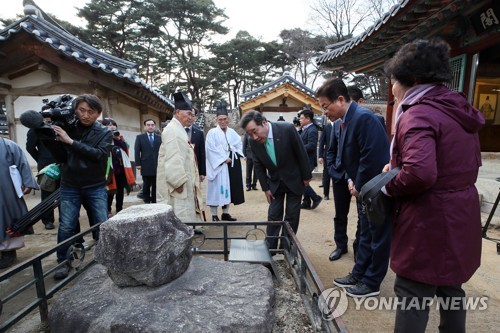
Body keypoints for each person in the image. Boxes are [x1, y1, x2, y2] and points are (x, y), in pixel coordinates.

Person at [383, 39, 484, 333]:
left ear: (411, 80)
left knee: (413, 292)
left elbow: (420, 174)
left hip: (429, 217)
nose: (392, 90)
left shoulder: (419, 113)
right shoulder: (457, 107)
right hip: (460, 210)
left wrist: (389, 185)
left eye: (393, 82)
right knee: (451, 287)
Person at [318, 78, 391, 298]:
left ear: (340, 99)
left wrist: (358, 185)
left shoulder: (364, 118)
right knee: (366, 233)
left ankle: (372, 281)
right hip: (361, 187)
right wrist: (351, 180)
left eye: (325, 106)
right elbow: (351, 157)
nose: (324, 112)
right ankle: (359, 273)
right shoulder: (346, 119)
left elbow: (371, 158)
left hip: (373, 189)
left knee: (377, 236)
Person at [42, 94, 112, 279]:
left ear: (98, 114)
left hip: (95, 185)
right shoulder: (67, 128)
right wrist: (50, 137)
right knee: (66, 225)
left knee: (102, 222)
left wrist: (70, 141)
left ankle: (108, 258)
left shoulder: (104, 132)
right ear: (75, 109)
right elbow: (60, 157)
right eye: (81, 110)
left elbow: (98, 155)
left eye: (91, 111)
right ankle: (63, 262)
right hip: (70, 184)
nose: (85, 115)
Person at [240, 110, 311, 251]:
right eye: (250, 134)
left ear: (264, 123)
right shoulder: (253, 141)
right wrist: (265, 188)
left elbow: (301, 152)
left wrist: (306, 176)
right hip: (275, 182)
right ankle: (270, 249)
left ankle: (285, 248)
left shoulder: (287, 129)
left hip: (294, 179)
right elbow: (258, 166)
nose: (254, 137)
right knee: (273, 216)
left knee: (291, 216)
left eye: (255, 131)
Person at [157, 92, 203, 222]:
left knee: (184, 210)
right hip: (177, 182)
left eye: (192, 114)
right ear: (178, 112)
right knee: (178, 211)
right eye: (188, 114)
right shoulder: (172, 129)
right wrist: (177, 181)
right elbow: (173, 157)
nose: (191, 117)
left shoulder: (179, 129)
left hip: (184, 178)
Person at [0, 138, 38, 269]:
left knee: (6, 218)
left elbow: (22, 163)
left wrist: (27, 182)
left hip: (5, 190)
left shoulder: (8, 145)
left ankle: (8, 251)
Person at [205, 102, 245, 221]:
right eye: (220, 119)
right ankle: (213, 214)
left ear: (228, 119)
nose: (223, 121)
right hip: (218, 166)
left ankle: (225, 213)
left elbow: (239, 144)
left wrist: (235, 152)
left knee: (228, 188)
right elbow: (210, 149)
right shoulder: (212, 133)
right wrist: (223, 158)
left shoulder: (232, 132)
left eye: (225, 119)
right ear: (216, 120)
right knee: (216, 189)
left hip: (230, 166)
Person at [101, 118, 135, 217]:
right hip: (108, 170)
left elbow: (125, 148)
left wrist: (117, 139)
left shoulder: (120, 137)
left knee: (120, 191)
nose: (111, 126)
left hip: (120, 169)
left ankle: (119, 209)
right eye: (108, 124)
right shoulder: (101, 138)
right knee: (110, 191)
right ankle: (108, 210)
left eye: (113, 124)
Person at [26, 128, 57, 230]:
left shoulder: (62, 125)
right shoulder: (36, 128)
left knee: (65, 192)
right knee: (47, 193)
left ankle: (65, 219)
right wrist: (40, 158)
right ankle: (47, 220)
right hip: (46, 165)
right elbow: (30, 147)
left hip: (63, 164)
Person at [299, 107, 322, 210]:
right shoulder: (305, 129)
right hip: (304, 160)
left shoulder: (312, 129)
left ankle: (315, 198)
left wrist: (298, 148)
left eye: (302, 118)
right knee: (303, 181)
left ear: (308, 119)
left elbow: (312, 145)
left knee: (301, 181)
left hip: (308, 161)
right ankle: (306, 202)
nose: (300, 120)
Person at [134, 119, 161, 204]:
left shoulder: (159, 138)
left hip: (157, 165)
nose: (150, 126)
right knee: (146, 184)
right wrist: (138, 164)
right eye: (148, 125)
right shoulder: (140, 137)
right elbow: (137, 151)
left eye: (152, 125)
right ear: (145, 126)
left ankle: (154, 201)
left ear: (154, 126)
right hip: (145, 164)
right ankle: (146, 200)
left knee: (156, 185)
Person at [185, 112, 206, 182]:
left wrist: (202, 172)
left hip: (195, 168)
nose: (190, 118)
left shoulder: (199, 133)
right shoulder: (177, 131)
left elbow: (202, 153)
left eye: (192, 116)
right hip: (182, 168)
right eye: (188, 115)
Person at [318, 121, 332, 200]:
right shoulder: (327, 127)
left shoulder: (341, 125)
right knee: (327, 174)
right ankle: (326, 194)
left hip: (339, 155)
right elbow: (321, 142)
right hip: (328, 154)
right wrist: (320, 155)